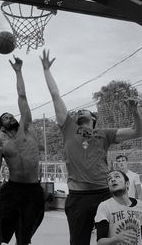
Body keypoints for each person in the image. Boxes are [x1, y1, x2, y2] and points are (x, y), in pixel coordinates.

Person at [40, 49, 142, 245]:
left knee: (113, 240)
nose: (79, 111)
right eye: (78, 111)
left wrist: (134, 111)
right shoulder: (68, 127)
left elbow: (137, 132)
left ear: (94, 118)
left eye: (84, 110)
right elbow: (55, 95)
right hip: (78, 197)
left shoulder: (104, 133)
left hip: (104, 193)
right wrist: (46, 70)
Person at [0, 55, 45, 245]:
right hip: (11, 190)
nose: (9, 116)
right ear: (2, 128)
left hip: (33, 190)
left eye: (10, 114)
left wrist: (18, 71)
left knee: (24, 239)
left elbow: (22, 96)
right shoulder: (3, 145)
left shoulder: (26, 127)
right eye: (4, 117)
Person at [95, 170, 142, 244]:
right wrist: (116, 239)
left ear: (127, 183)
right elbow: (100, 242)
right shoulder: (104, 206)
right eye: (109, 179)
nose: (113, 179)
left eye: (117, 176)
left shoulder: (140, 206)